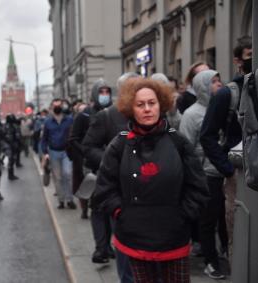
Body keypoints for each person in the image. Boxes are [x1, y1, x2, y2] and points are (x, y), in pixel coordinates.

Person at [91, 77, 209, 283]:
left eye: (151, 103)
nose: (147, 109)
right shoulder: (119, 144)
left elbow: (198, 186)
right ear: (131, 108)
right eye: (140, 104)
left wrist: (183, 215)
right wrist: (122, 214)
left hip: (174, 237)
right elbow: (104, 188)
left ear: (160, 104)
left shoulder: (178, 141)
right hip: (135, 238)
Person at [200, 35, 252, 262]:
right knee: (239, 236)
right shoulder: (226, 94)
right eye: (250, 55)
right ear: (238, 61)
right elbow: (207, 136)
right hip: (238, 176)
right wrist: (228, 170)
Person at [82, 73, 137, 280]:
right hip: (116, 188)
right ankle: (104, 249)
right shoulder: (107, 116)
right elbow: (88, 146)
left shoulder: (148, 112)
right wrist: (110, 159)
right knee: (123, 239)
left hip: (145, 191)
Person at [179, 70, 226, 279]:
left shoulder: (225, 107)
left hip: (226, 171)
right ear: (202, 86)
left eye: (218, 80)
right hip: (206, 173)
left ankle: (226, 251)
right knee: (208, 220)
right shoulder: (191, 114)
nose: (218, 84)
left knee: (225, 218)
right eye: (213, 82)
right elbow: (186, 148)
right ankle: (210, 261)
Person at [68, 79, 113, 220]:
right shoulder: (84, 115)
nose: (104, 95)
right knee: (90, 188)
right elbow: (73, 138)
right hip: (89, 162)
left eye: (107, 92)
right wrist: (85, 152)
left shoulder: (114, 112)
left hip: (109, 159)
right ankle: (86, 209)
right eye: (101, 92)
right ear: (95, 94)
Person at [41, 98, 76, 209]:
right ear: (52, 107)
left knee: (68, 174)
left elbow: (74, 135)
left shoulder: (69, 120)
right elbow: (44, 139)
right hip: (53, 152)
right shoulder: (48, 122)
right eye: (55, 105)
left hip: (66, 152)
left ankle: (70, 199)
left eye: (59, 105)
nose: (57, 107)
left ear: (62, 106)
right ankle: (61, 200)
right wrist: (45, 152)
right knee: (58, 177)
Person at [4, 114, 20, 180]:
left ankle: (11, 174)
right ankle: (10, 175)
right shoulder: (14, 126)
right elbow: (17, 136)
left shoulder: (5, 126)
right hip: (11, 145)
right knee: (11, 160)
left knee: (11, 160)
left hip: (8, 145)